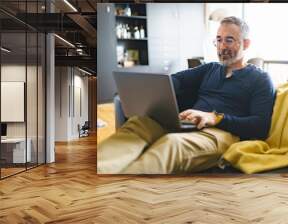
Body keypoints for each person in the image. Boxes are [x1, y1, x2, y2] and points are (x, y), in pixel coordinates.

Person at [97, 16, 275, 174]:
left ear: (246, 43)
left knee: (171, 145)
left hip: (220, 133)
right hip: (187, 123)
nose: (222, 47)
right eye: (219, 40)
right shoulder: (211, 68)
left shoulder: (260, 79)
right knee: (138, 124)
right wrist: (154, 92)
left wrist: (217, 118)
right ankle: (100, 169)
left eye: (229, 40)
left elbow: (260, 125)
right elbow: (176, 80)